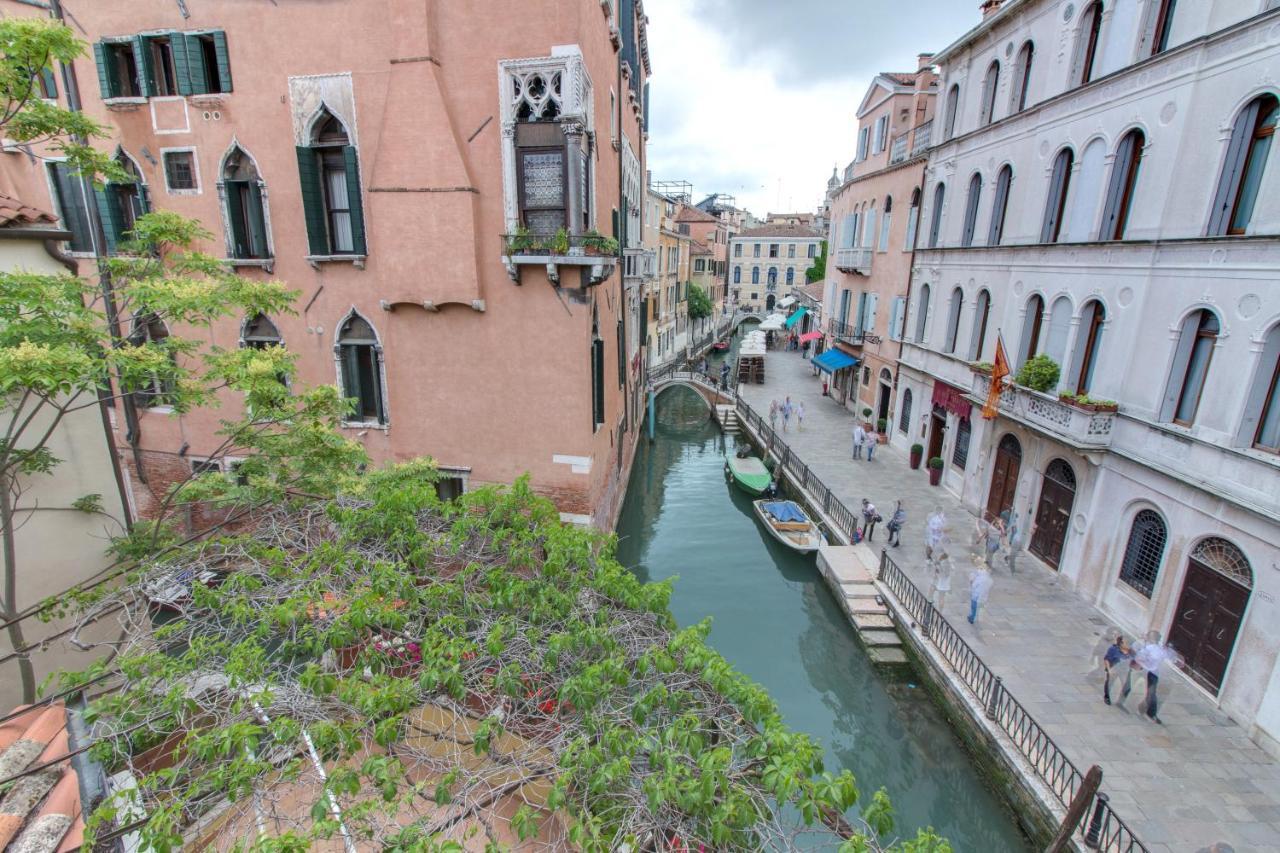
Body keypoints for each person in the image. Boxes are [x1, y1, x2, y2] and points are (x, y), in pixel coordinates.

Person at [1134, 631, 1177, 724]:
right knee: (1150, 693)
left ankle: (1149, 712)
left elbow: (1171, 657)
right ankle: (1146, 711)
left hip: (1152, 673)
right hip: (1147, 671)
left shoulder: (1158, 649)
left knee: (1151, 693)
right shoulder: (1150, 648)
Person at [1102, 634, 1134, 706]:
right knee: (1110, 683)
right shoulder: (1113, 649)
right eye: (1127, 643)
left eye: (1130, 643)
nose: (1129, 645)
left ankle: (1120, 701)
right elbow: (1106, 659)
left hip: (1125, 671)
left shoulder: (1131, 652)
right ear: (1121, 643)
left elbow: (1133, 661)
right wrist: (1109, 670)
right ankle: (1107, 697)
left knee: (1127, 687)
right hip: (1114, 669)